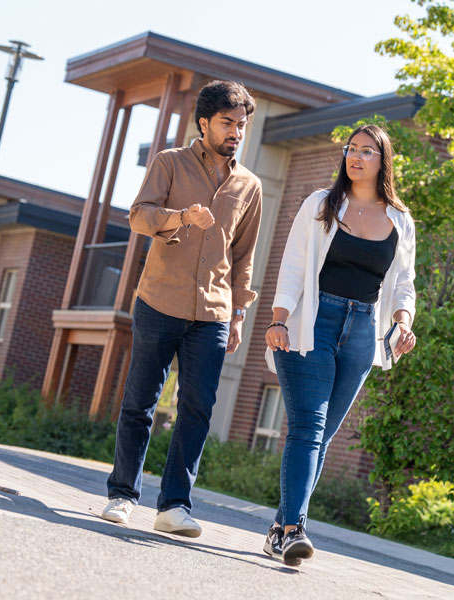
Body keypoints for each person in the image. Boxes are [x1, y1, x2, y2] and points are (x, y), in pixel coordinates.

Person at [100, 80, 262, 537]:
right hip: (159, 300)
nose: (236, 132)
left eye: (242, 125)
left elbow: (244, 254)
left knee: (197, 409)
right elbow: (139, 215)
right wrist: (180, 217)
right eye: (228, 123)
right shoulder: (169, 163)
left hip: (213, 310)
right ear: (204, 122)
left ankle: (174, 506)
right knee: (140, 402)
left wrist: (238, 313)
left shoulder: (250, 185)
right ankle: (122, 495)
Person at [262, 124, 418, 565]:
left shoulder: (400, 221)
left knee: (323, 436)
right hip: (313, 323)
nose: (356, 156)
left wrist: (402, 323)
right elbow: (293, 265)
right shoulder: (321, 205)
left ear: (383, 161)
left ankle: (280, 526)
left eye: (367, 151)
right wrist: (280, 320)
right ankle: (293, 529)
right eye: (351, 149)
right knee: (308, 428)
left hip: (363, 329)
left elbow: (404, 282)